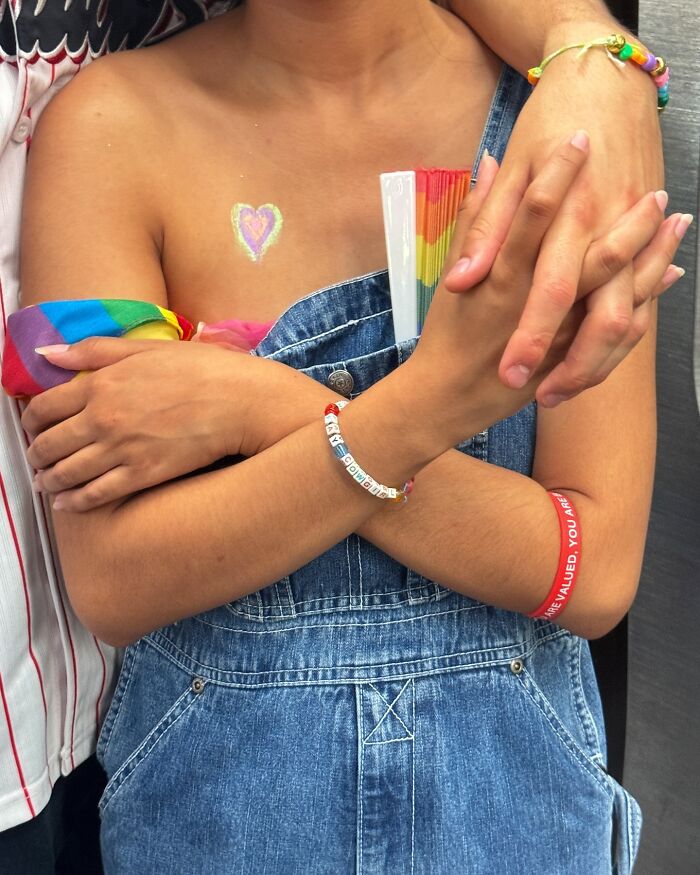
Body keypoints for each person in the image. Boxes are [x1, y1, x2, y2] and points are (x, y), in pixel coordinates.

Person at [0, 0, 685, 873]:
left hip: (518, 807)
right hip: (216, 814)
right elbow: (116, 577)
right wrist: (428, 405)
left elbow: (591, 569)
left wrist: (258, 405)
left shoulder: (572, 123)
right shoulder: (106, 129)